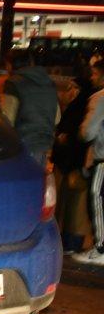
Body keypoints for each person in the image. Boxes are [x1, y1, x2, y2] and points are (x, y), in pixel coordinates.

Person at [1, 49, 60, 165]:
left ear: (10, 65)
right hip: (43, 147)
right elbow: (57, 118)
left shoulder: (13, 83)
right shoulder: (48, 83)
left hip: (20, 148)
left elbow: (6, 120)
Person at [52, 75, 90, 254]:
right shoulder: (75, 107)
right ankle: (68, 241)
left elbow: (82, 135)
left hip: (74, 163)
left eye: (72, 88)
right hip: (70, 162)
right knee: (69, 205)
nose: (68, 92)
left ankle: (71, 242)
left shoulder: (81, 108)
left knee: (75, 207)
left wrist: (65, 138)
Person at [73, 57, 104, 264]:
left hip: (102, 158)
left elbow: (88, 132)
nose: (92, 78)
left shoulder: (100, 98)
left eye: (94, 74)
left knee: (97, 198)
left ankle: (101, 248)